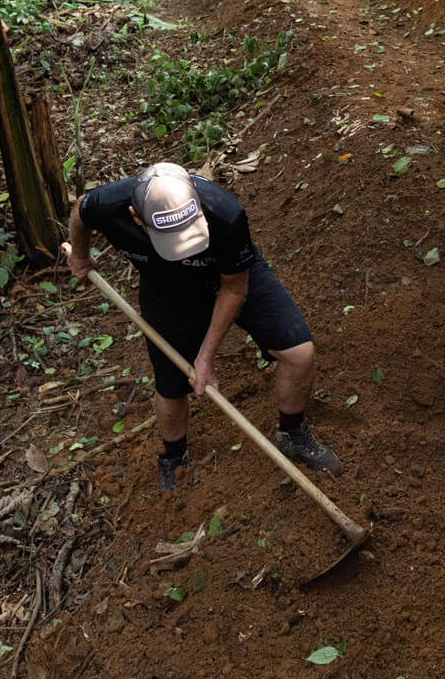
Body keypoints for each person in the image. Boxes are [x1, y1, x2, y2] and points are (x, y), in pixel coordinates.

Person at [66, 161, 339, 490]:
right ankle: (174, 460)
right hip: (166, 290)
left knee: (299, 353)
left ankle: (292, 433)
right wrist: (80, 255)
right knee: (171, 386)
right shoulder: (108, 204)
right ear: (137, 218)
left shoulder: (225, 213)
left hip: (226, 275)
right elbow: (81, 211)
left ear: (196, 203)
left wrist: (205, 357)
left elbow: (235, 289)